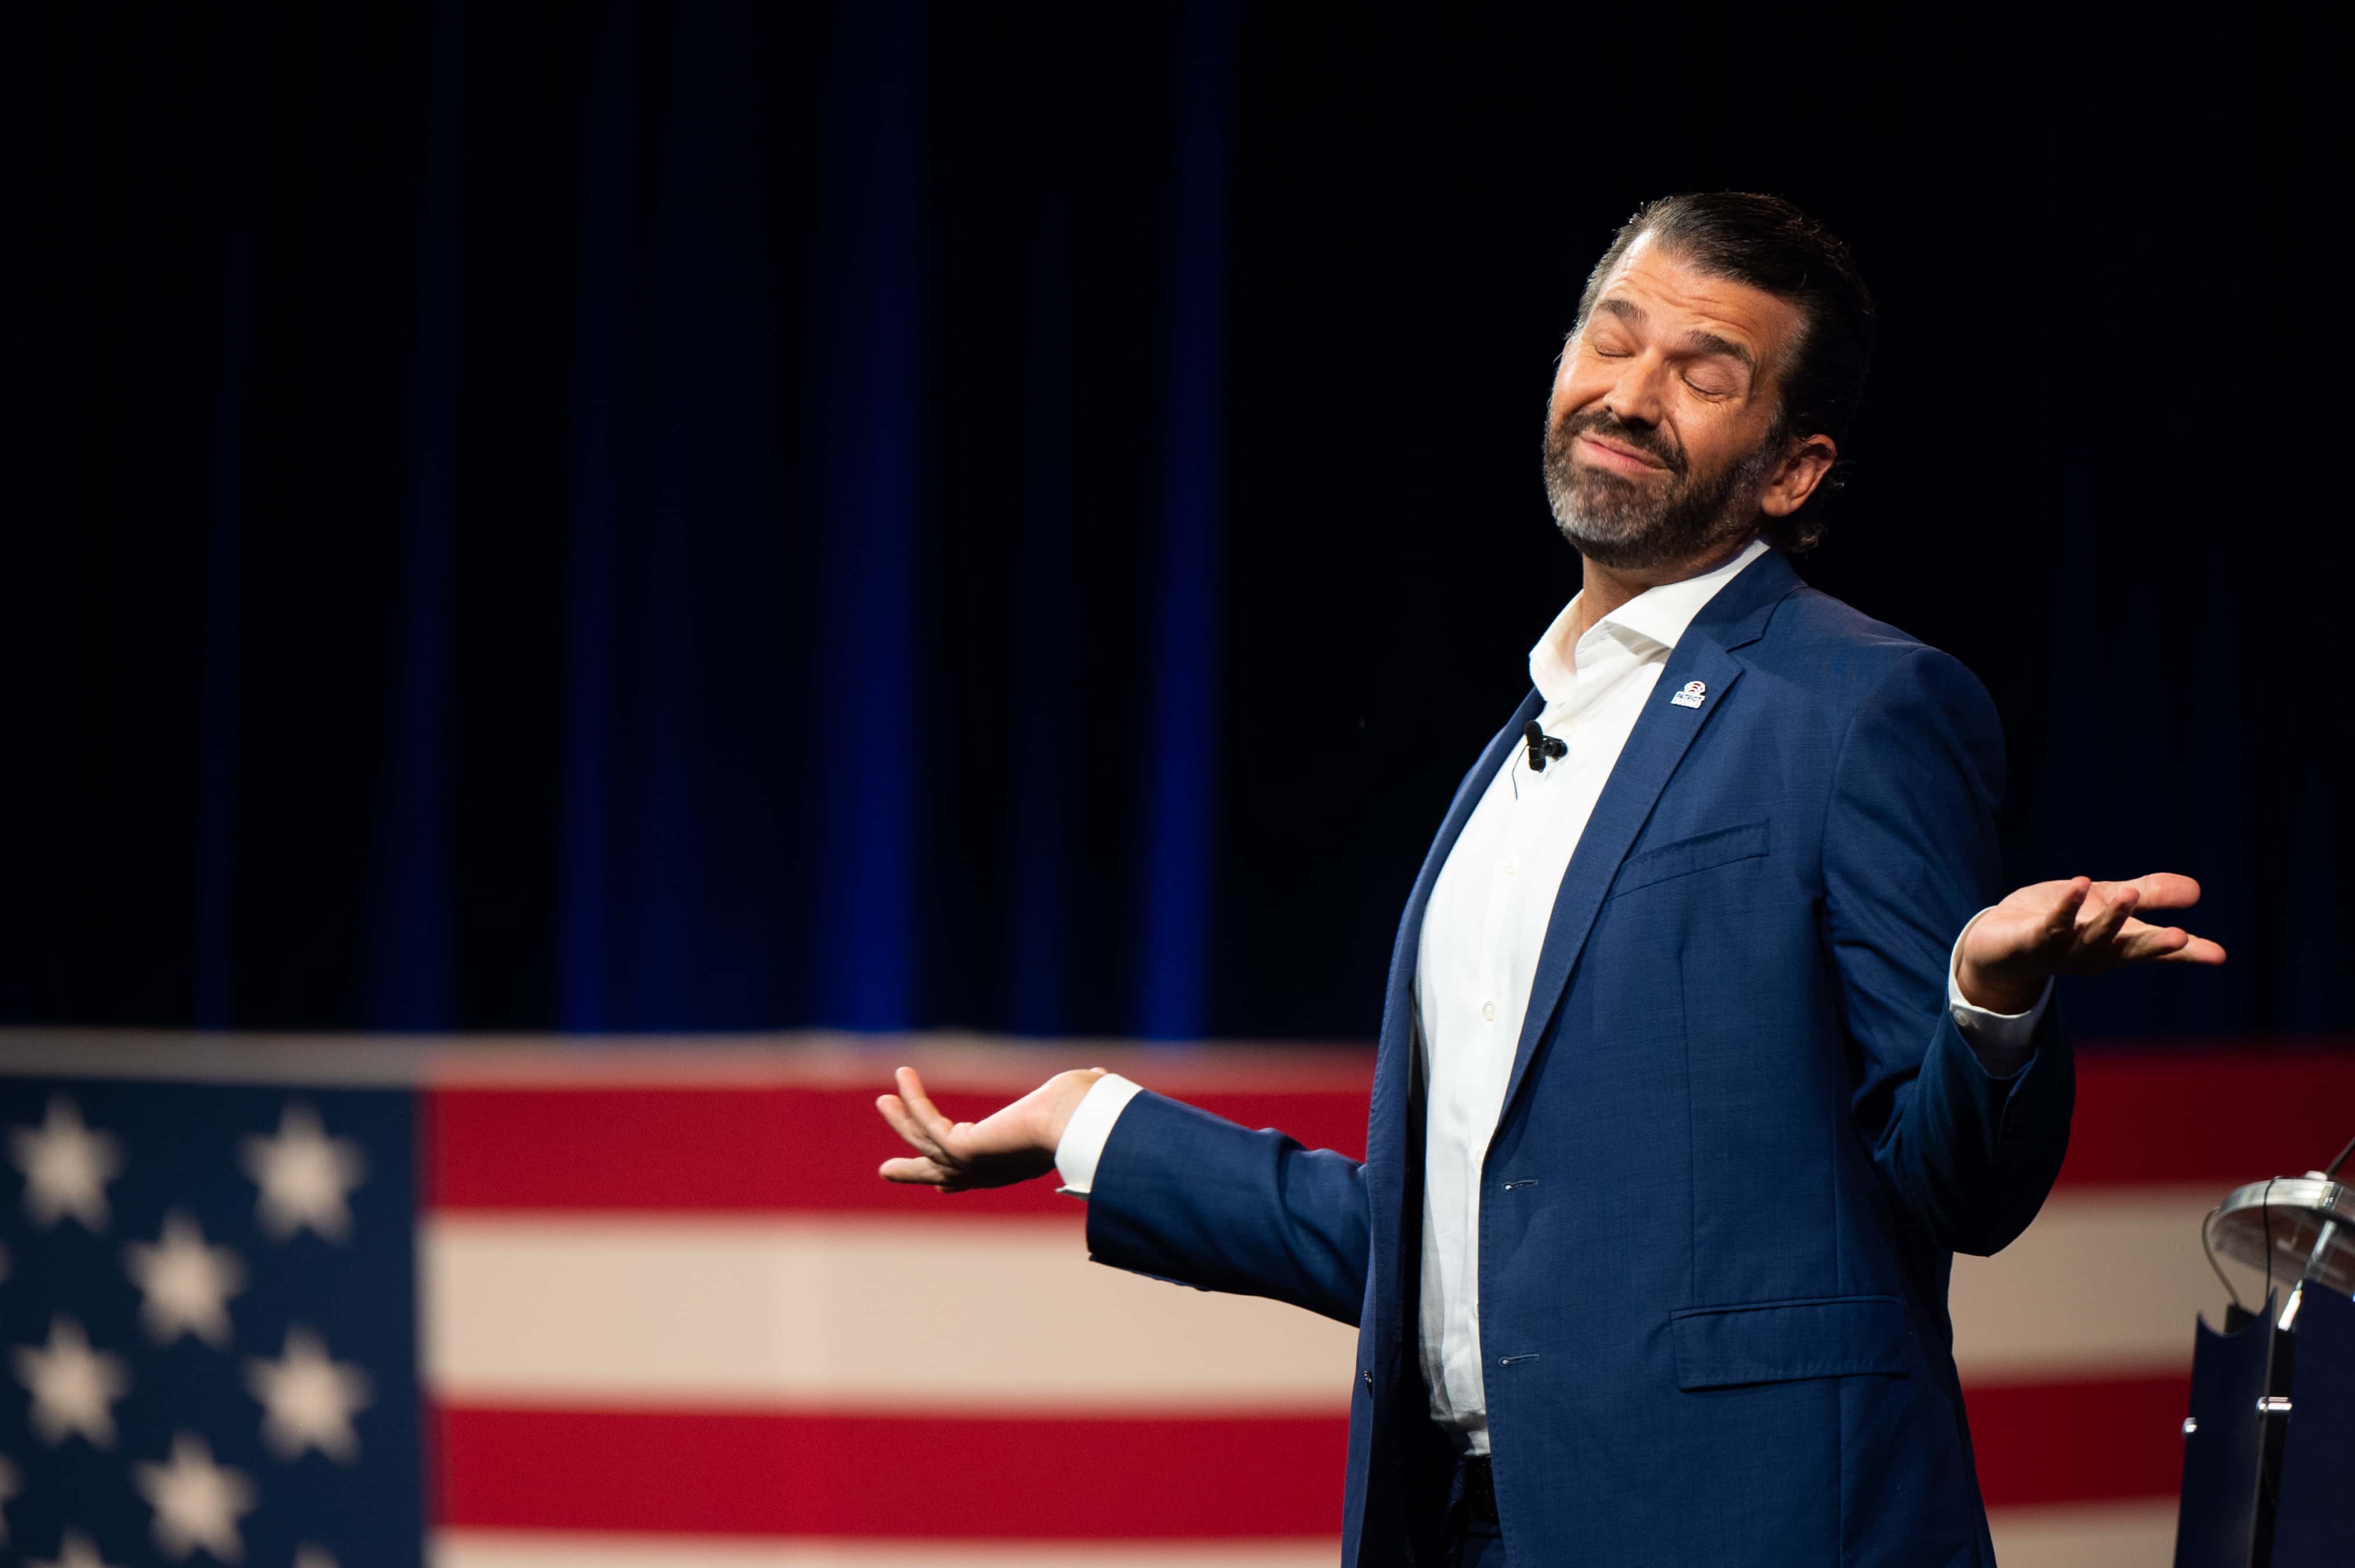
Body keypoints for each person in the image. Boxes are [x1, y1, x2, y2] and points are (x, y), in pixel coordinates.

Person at [873, 191, 2225, 1567]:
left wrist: (1984, 1004)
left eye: (1705, 375)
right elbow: (1466, 1256)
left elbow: (1956, 1193)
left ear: (1790, 472)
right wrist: (1094, 1123)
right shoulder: (1513, 757)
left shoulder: (1857, 706)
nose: (1632, 394)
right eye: (1611, 338)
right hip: (1466, 1526)